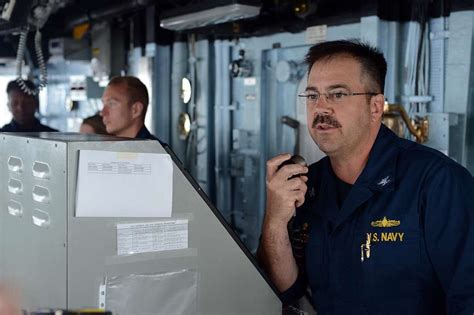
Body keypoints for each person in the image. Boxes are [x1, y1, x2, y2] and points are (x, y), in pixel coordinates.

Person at [258, 40, 474, 314]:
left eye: (337, 94)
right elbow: (285, 289)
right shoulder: (307, 186)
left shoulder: (438, 183)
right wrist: (275, 220)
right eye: (312, 96)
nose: (320, 108)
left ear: (375, 106)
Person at [100, 76, 160, 141]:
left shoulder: (155, 150)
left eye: (111, 104)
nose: (102, 113)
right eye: (103, 104)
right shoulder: (109, 148)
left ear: (136, 110)